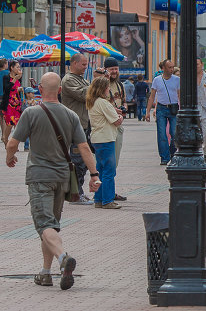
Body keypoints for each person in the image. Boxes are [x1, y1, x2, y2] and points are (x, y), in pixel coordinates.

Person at [5, 72, 100, 289]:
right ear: (59, 91)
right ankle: (45, 272)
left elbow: (12, 143)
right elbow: (84, 147)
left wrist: (10, 158)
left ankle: (63, 258)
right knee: (52, 227)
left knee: (44, 225)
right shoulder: (71, 115)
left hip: (40, 177)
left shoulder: (31, 113)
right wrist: (94, 175)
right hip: (62, 178)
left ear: (39, 89)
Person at [59, 53, 92, 203]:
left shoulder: (80, 79)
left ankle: (78, 191)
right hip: (73, 126)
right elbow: (85, 95)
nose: (86, 67)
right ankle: (75, 194)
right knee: (77, 161)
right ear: (74, 63)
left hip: (83, 124)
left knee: (83, 161)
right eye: (83, 64)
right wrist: (97, 85)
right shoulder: (69, 80)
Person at [86, 76, 122, 208]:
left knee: (100, 169)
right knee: (109, 170)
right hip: (106, 138)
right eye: (107, 87)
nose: (109, 89)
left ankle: (98, 199)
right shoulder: (103, 103)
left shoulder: (92, 101)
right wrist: (120, 116)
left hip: (97, 138)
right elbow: (116, 121)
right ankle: (108, 200)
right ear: (103, 89)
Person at [148, 60, 180, 166]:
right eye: (169, 67)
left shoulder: (177, 80)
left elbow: (180, 95)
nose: (171, 69)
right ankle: (164, 157)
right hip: (161, 108)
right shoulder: (157, 80)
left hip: (174, 108)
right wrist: (148, 111)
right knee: (162, 134)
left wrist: (182, 109)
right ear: (164, 68)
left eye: (172, 67)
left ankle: (173, 154)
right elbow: (152, 96)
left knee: (174, 133)